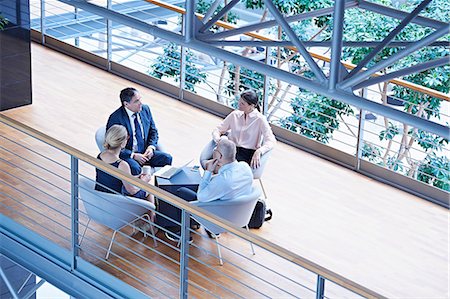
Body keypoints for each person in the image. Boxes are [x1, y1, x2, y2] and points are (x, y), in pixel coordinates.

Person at [164, 139, 254, 241]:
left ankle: (181, 233)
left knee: (181, 192)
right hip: (239, 214)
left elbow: (201, 196)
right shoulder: (245, 167)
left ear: (220, 156)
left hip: (219, 215)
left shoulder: (223, 180)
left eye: (215, 149)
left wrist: (208, 171)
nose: (213, 150)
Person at [95, 125, 155, 222]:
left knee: (141, 182)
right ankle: (152, 222)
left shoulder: (100, 156)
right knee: (149, 187)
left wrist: (135, 178)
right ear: (122, 143)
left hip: (101, 200)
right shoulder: (122, 165)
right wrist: (144, 180)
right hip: (117, 204)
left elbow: (112, 179)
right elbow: (132, 191)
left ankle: (143, 221)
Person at [107, 87, 172, 175]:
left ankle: (160, 186)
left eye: (140, 99)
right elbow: (113, 145)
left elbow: (153, 132)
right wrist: (133, 155)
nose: (140, 103)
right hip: (129, 155)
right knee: (135, 168)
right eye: (136, 101)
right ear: (126, 104)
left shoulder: (145, 109)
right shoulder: (116, 118)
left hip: (145, 152)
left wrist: (151, 147)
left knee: (167, 158)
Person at [212, 90, 276, 169]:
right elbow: (218, 129)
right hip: (230, 149)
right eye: (239, 101)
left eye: (242, 104)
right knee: (214, 162)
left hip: (246, 153)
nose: (239, 104)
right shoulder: (235, 114)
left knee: (221, 167)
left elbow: (271, 141)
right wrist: (218, 139)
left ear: (252, 106)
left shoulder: (260, 119)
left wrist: (259, 151)